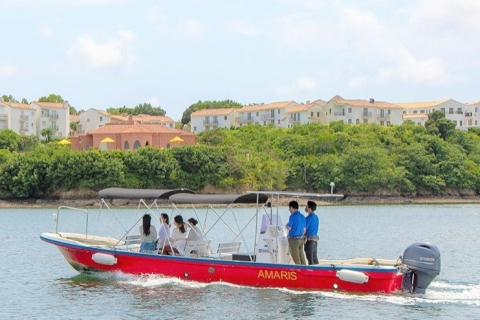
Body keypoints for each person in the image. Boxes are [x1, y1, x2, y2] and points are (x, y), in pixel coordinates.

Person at [285, 200, 306, 265]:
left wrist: (286, 225)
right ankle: (305, 269)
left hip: (294, 240)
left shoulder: (292, 216)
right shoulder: (302, 216)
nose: (289, 210)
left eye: (289, 208)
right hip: (301, 239)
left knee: (296, 257)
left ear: (291, 207)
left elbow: (289, 227)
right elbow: (304, 230)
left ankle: (299, 270)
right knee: (301, 256)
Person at [304, 200, 319, 265]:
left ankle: (312, 272)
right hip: (315, 240)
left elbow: (304, 229)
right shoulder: (316, 217)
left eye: (306, 206)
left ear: (309, 208)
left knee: (310, 258)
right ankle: (318, 271)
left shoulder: (308, 218)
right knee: (314, 257)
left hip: (309, 240)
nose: (305, 208)